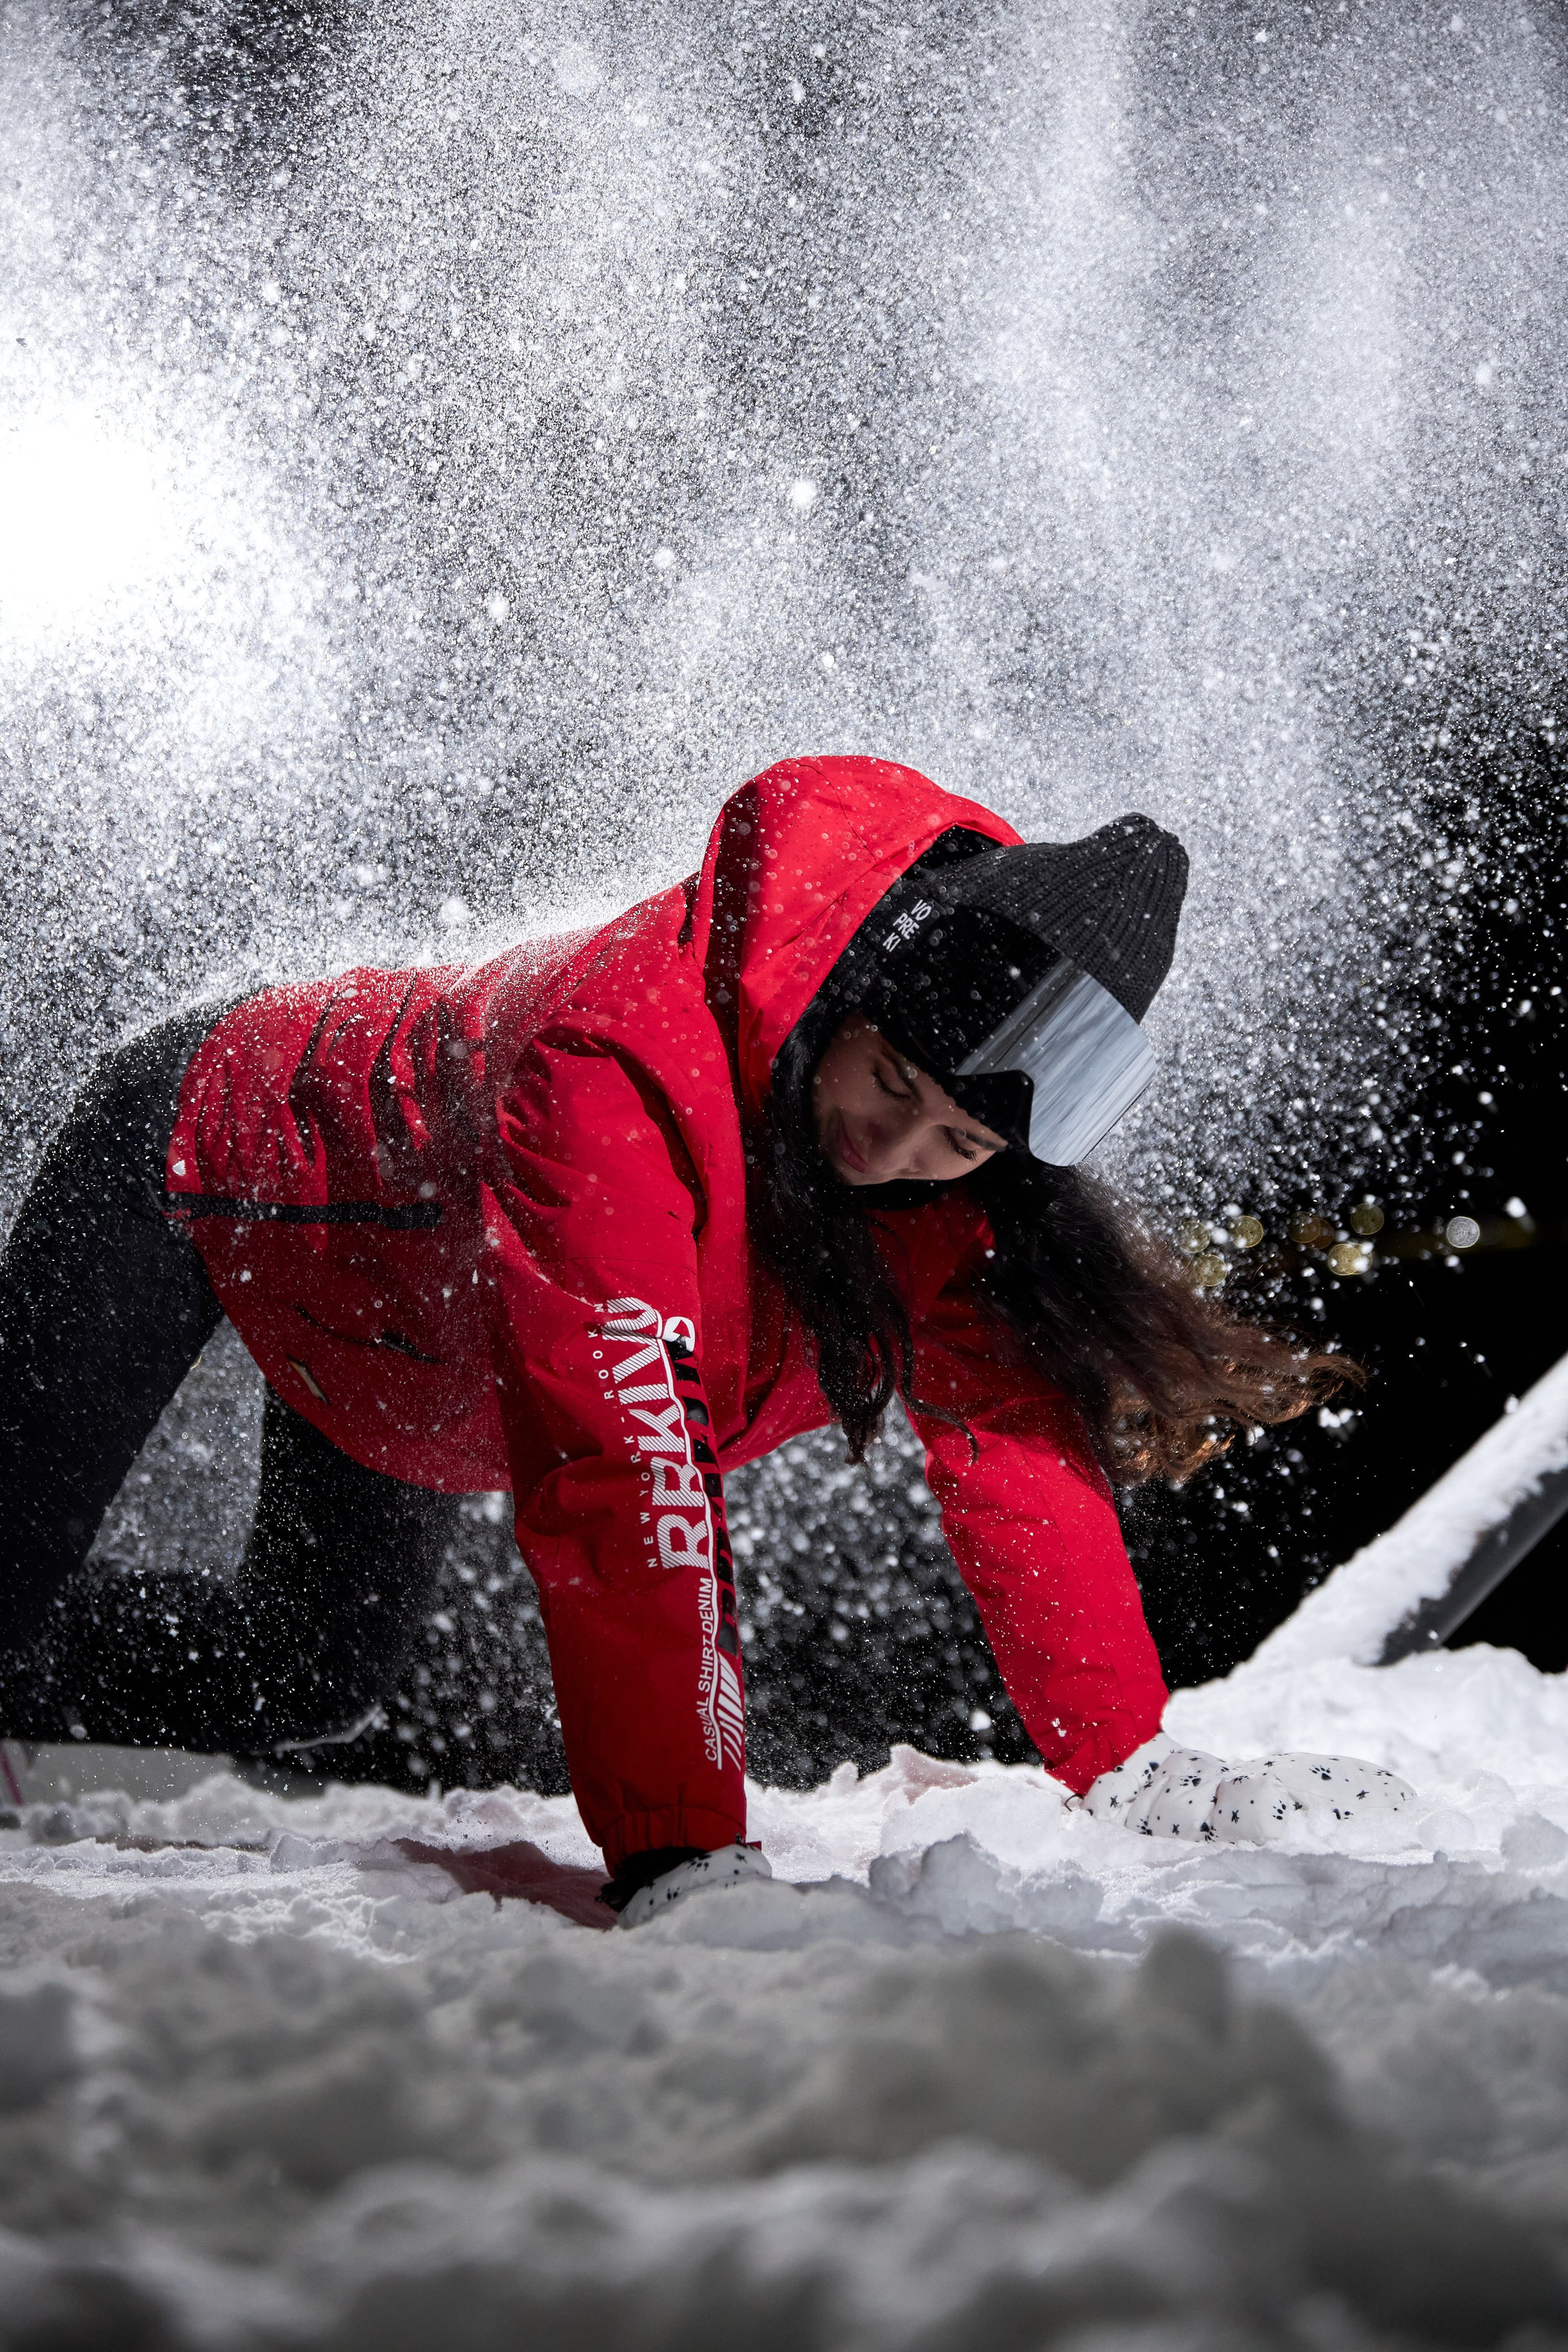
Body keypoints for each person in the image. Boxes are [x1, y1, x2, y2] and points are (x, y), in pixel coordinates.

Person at [0, 755, 1411, 1919]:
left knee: (310, 1673)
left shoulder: (938, 1197)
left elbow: (1015, 1457)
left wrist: (1128, 1762)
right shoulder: (613, 1062)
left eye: (957, 1136)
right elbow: (628, 1470)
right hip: (208, 1169)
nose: (895, 1150)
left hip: (402, 1341)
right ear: (848, 996)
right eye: (890, 1083)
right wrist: (684, 1849)